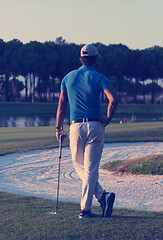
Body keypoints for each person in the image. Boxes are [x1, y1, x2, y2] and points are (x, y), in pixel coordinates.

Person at [56, 44, 119, 219]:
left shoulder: (68, 78)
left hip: (75, 126)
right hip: (95, 125)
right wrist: (107, 119)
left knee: (79, 166)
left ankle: (88, 207)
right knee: (90, 169)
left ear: (80, 59)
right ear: (96, 59)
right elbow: (113, 100)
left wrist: (58, 128)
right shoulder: (99, 77)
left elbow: (62, 105)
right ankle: (101, 197)